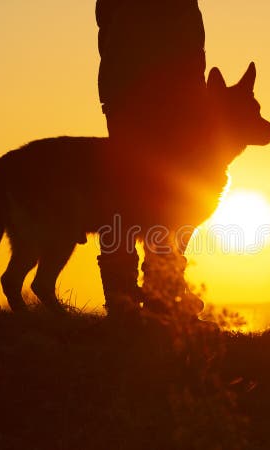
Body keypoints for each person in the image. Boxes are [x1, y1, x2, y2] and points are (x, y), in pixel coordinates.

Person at [95, 0, 207, 318]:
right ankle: (125, 298)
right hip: (133, 94)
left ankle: (163, 292)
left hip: (172, 96)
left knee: (171, 198)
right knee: (128, 197)